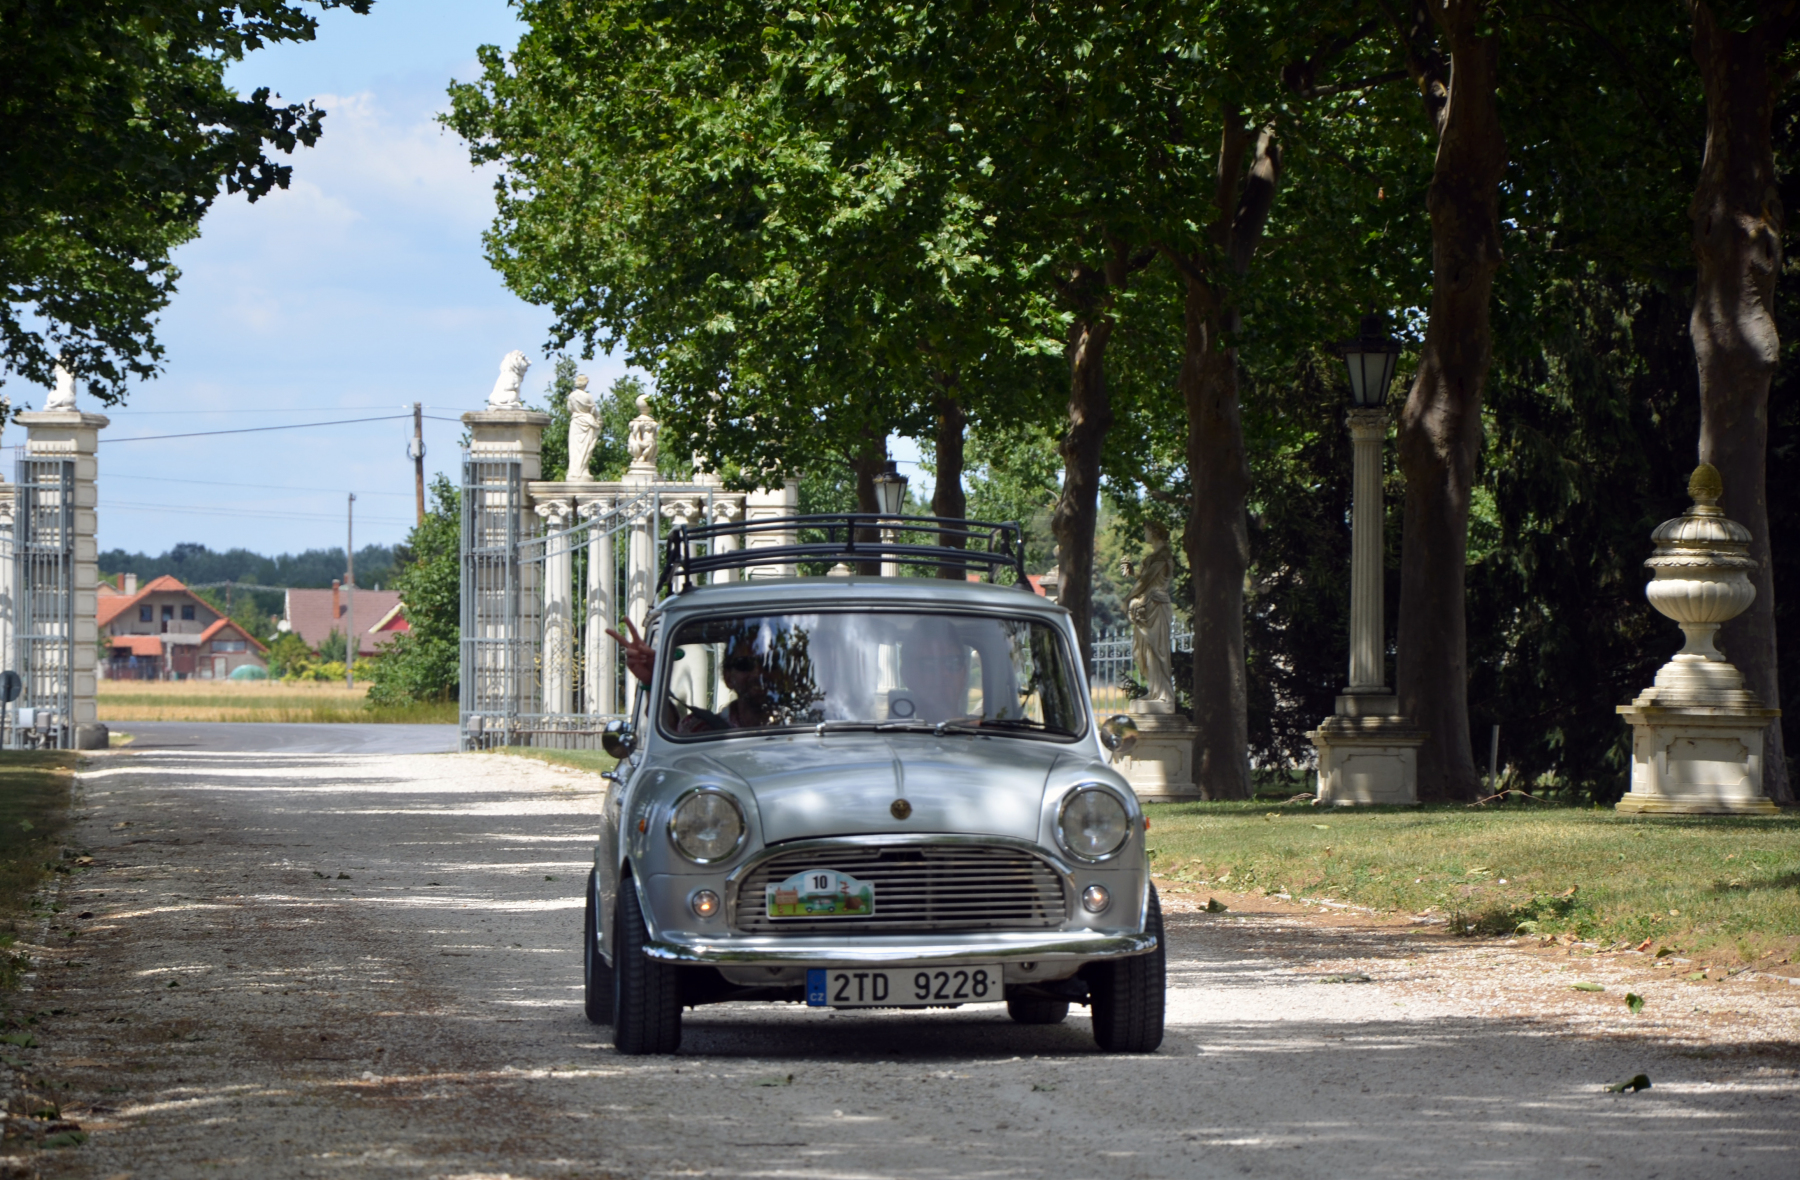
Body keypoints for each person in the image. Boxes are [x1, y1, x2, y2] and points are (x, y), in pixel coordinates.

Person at [606, 619, 776, 732]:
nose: (758, 673)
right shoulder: (699, 728)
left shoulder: (793, 722)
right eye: (744, 664)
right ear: (728, 677)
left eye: (768, 664)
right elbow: (667, 741)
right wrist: (653, 680)